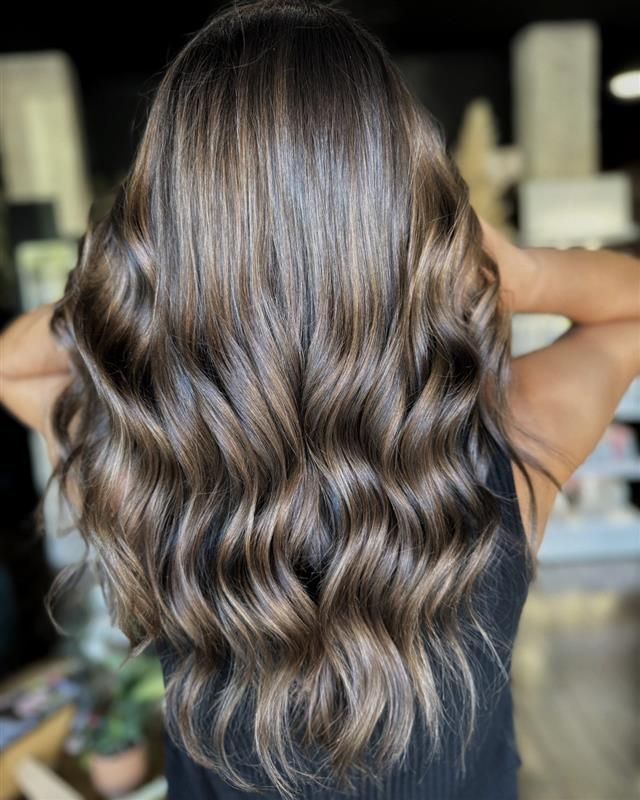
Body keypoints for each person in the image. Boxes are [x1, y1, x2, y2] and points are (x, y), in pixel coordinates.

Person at [1, 1, 638, 798]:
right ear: (402, 221)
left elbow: (14, 367)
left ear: (176, 242)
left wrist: (122, 288)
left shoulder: (150, 471)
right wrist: (514, 268)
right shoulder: (509, 442)